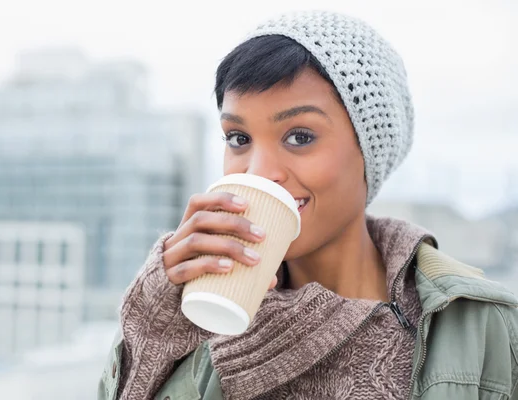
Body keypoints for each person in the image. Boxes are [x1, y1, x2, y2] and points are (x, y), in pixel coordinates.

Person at [98, 10, 518, 400]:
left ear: (369, 152)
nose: (258, 172)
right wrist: (154, 334)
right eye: (238, 138)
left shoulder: (485, 326)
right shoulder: (196, 316)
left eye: (299, 136)